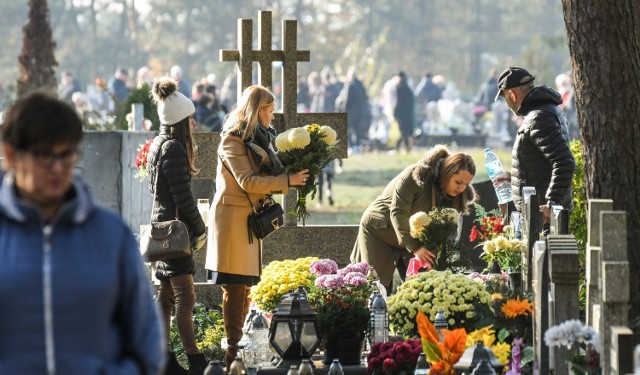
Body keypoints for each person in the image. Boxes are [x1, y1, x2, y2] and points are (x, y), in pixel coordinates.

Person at [0, 91, 165, 374]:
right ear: (11, 155)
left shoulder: (111, 236)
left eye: (66, 154)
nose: (58, 167)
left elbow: (146, 342)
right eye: (44, 156)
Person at [204, 85, 309, 370]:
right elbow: (248, 181)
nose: (272, 117)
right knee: (235, 288)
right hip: (232, 222)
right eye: (270, 110)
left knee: (246, 288)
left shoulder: (257, 139)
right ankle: (233, 356)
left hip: (246, 221)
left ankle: (240, 354)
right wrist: (288, 181)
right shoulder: (232, 140)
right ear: (257, 110)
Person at [350, 145, 476, 295]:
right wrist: (416, 247)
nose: (461, 189)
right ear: (447, 173)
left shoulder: (454, 195)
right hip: (380, 231)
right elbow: (398, 212)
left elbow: (445, 230)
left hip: (413, 237)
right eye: (458, 182)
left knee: (423, 288)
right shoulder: (415, 175)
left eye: (466, 184)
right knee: (375, 289)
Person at [148, 77, 208, 375]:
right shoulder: (173, 149)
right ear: (181, 122)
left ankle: (165, 357)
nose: (194, 124)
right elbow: (184, 198)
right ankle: (195, 359)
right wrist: (200, 228)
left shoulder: (157, 144)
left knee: (165, 296)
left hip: (159, 231)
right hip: (175, 233)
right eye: (190, 119)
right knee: (185, 296)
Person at [494, 67, 576, 225]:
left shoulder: (539, 117)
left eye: (505, 98)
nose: (508, 105)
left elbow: (564, 162)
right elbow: (542, 163)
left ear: (512, 94)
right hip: (541, 211)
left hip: (545, 216)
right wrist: (516, 178)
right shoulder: (544, 110)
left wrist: (552, 203)